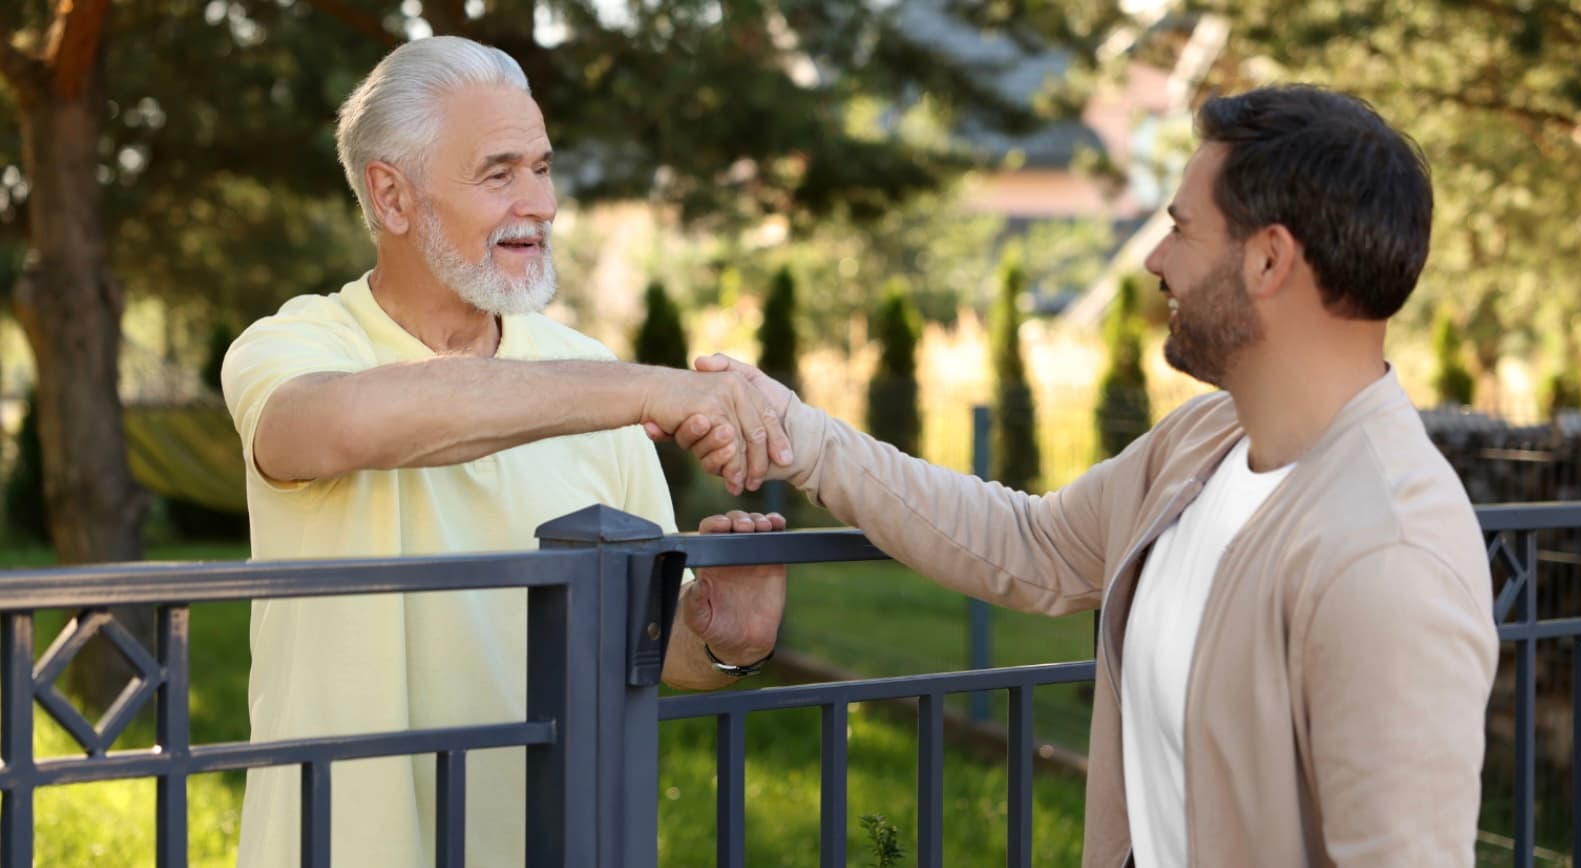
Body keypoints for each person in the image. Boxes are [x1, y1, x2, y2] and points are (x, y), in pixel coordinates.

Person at [676, 86, 1498, 866]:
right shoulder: (1202, 444)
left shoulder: (1388, 557)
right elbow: (1028, 543)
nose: (1154, 258)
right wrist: (802, 437)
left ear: (1269, 260)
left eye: (1182, 227)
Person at [221, 37, 791, 867]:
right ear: (392, 195)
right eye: (499, 173)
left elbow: (643, 647)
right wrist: (640, 391)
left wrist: (721, 640)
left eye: (542, 167)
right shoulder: (298, 348)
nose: (541, 202)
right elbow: (334, 427)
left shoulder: (598, 379)